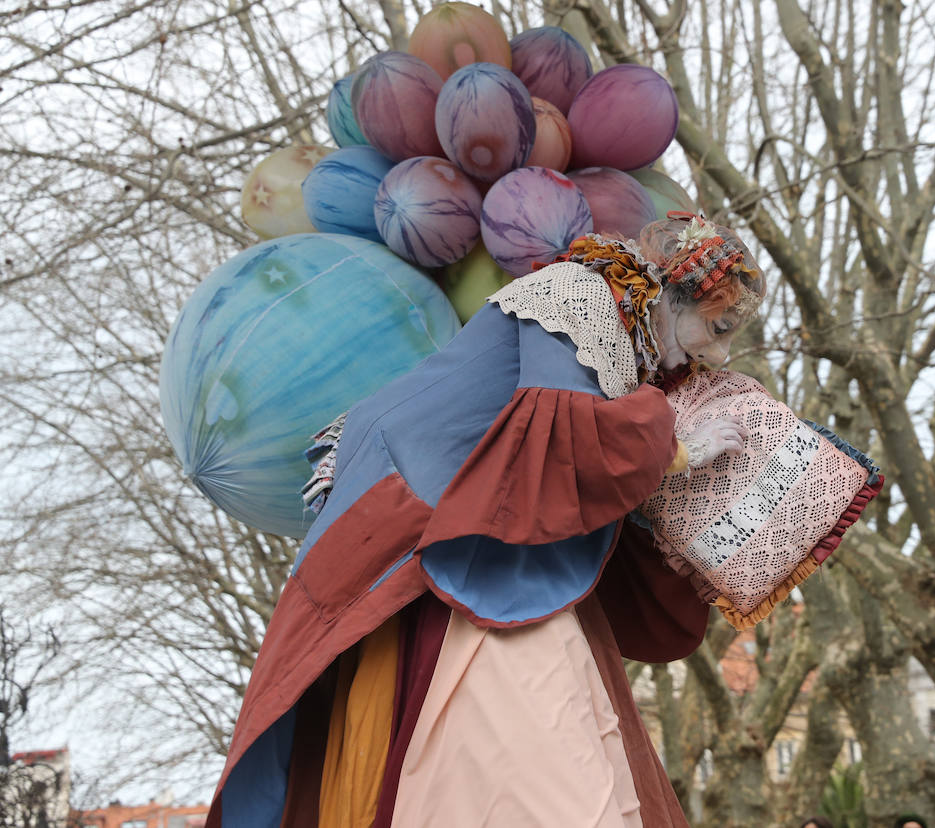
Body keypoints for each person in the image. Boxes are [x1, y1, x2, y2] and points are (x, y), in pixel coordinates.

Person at [205, 216, 769, 827]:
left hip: (467, 529)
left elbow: (570, 463)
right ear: (674, 295)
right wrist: (676, 447)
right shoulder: (577, 293)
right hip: (416, 509)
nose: (719, 352)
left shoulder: (617, 335)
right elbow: (564, 435)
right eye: (719, 327)